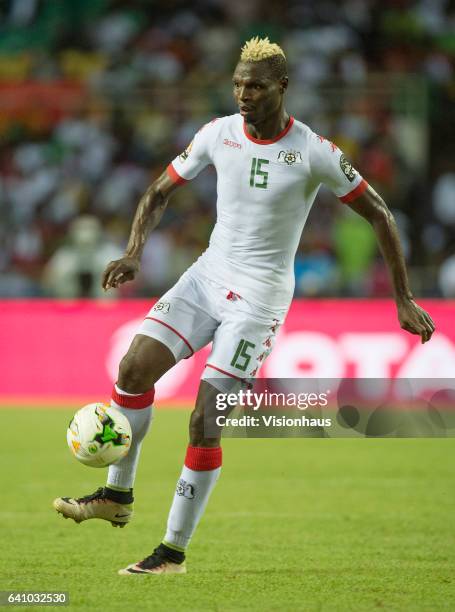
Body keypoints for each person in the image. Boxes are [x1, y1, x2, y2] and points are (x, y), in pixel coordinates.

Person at [53, 37, 435, 575]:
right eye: (237, 84)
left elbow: (379, 213)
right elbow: (159, 191)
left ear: (281, 86)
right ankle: (117, 496)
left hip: (260, 298)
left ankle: (172, 552)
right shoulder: (217, 134)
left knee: (206, 417)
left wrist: (403, 296)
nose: (242, 94)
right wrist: (134, 250)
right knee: (133, 369)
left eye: (254, 86)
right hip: (207, 274)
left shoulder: (313, 150)